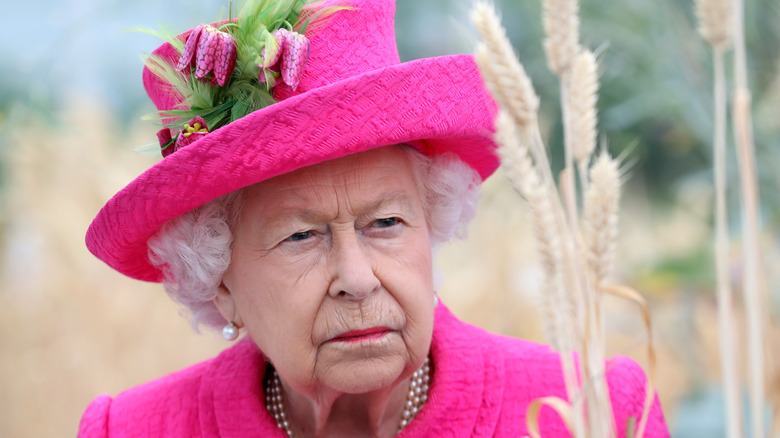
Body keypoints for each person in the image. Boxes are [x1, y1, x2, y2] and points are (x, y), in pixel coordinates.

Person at [79, 0, 669, 436]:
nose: (356, 278)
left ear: (431, 224)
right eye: (300, 236)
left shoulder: (593, 411)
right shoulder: (131, 428)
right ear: (221, 282)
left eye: (385, 223)